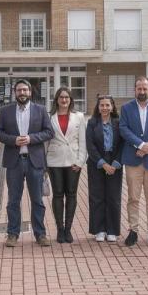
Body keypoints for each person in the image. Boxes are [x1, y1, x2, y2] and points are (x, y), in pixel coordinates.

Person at [0, 79, 55, 247]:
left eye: (25, 90)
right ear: (15, 92)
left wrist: (31, 138)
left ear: (30, 92)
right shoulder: (6, 111)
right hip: (14, 163)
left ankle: (40, 234)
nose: (22, 93)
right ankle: (12, 234)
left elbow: (49, 132)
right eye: (19, 90)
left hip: (35, 162)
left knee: (37, 200)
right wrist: (13, 140)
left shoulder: (40, 110)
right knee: (13, 200)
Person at [118, 76, 148, 246]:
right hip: (133, 160)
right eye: (139, 88)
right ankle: (133, 230)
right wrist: (139, 144)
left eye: (145, 88)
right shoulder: (126, 108)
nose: (142, 91)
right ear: (135, 90)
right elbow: (123, 129)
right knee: (133, 197)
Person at [46, 87, 87, 244]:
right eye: (61, 97)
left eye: (67, 97)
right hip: (54, 161)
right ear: (56, 99)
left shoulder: (79, 117)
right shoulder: (50, 117)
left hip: (73, 162)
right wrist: (44, 162)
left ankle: (68, 229)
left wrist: (80, 161)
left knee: (71, 194)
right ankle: (60, 229)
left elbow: (82, 141)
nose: (64, 100)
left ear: (71, 100)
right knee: (57, 194)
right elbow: (45, 142)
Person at [86, 95, 123, 243]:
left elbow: (122, 144)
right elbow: (90, 145)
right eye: (102, 105)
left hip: (115, 164)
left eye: (108, 105)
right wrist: (103, 163)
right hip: (97, 163)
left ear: (112, 107)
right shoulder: (92, 123)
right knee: (97, 197)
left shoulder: (118, 123)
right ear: (98, 107)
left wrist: (115, 164)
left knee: (113, 198)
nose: (105, 108)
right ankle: (99, 230)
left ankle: (112, 230)